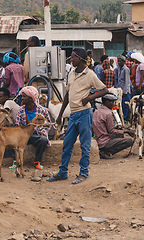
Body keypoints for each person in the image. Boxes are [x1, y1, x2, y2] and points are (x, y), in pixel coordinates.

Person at [47, 48, 108, 184]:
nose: (70, 59)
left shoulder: (90, 74)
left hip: (85, 114)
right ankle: (63, 172)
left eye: (73, 57)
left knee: (85, 145)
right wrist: (60, 114)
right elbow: (68, 94)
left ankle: (83, 173)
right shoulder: (71, 72)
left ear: (80, 59)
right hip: (73, 114)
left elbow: (104, 90)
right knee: (67, 144)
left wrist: (89, 98)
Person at [15, 86, 51, 170]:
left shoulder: (43, 110)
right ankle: (16, 161)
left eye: (24, 96)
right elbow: (17, 125)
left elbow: (48, 124)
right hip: (23, 136)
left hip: (37, 135)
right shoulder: (20, 110)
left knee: (43, 140)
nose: (22, 98)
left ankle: (37, 161)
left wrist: (43, 132)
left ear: (31, 98)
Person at [93, 93, 135, 159]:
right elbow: (111, 131)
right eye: (112, 102)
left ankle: (104, 151)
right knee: (129, 141)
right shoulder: (108, 113)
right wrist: (126, 131)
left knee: (119, 134)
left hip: (97, 139)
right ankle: (106, 152)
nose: (113, 103)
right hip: (104, 141)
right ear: (107, 102)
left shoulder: (96, 111)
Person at [114, 55, 131, 122]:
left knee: (125, 105)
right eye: (118, 61)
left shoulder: (126, 69)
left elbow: (127, 81)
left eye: (120, 61)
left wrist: (125, 92)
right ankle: (120, 118)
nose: (119, 62)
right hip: (119, 90)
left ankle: (126, 118)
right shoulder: (118, 69)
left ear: (123, 62)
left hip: (125, 91)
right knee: (119, 105)